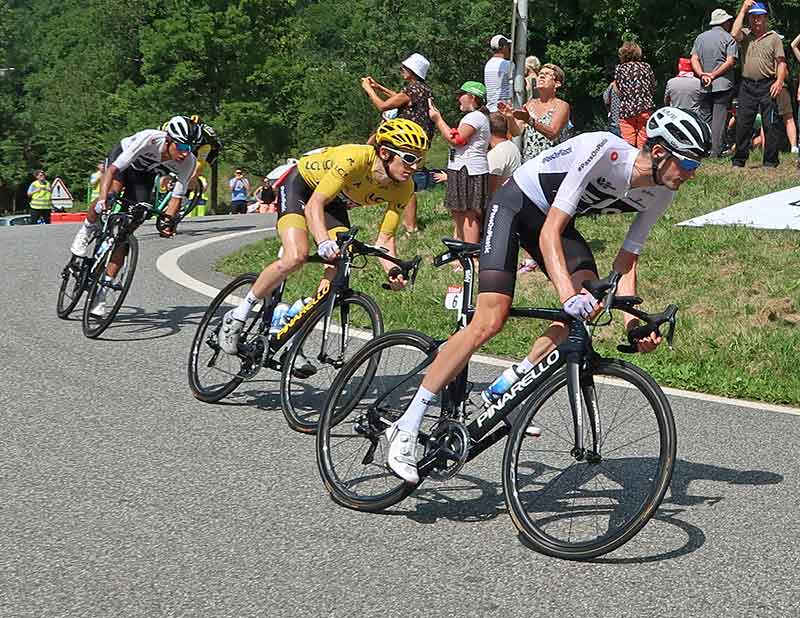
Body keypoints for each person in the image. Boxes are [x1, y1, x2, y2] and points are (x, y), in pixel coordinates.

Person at [383, 107, 711, 483]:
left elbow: (627, 261)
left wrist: (631, 320)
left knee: (588, 302)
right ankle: (406, 425)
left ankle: (513, 381)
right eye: (686, 162)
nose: (690, 173)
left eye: (695, 165)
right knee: (491, 318)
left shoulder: (660, 193)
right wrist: (566, 294)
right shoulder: (604, 150)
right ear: (658, 152)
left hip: (554, 220)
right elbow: (549, 232)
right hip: (515, 206)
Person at [216, 118, 429, 355]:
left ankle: (294, 327)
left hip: (333, 204)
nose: (415, 166)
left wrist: (393, 270)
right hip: (301, 188)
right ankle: (237, 316)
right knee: (296, 255)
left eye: (420, 159)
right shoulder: (354, 158)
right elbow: (313, 205)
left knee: (341, 261)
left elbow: (385, 239)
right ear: (385, 153)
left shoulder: (404, 188)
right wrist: (323, 241)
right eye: (409, 158)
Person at [69, 117, 199, 313]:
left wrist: (168, 223)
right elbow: (113, 170)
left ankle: (102, 291)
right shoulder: (149, 139)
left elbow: (176, 198)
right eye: (181, 145)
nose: (184, 152)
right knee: (111, 195)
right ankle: (87, 228)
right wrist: (103, 198)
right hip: (122, 161)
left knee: (131, 225)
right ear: (169, 139)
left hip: (143, 175)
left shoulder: (188, 161)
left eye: (190, 147)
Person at [361, 53, 435, 234]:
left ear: (412, 71)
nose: (401, 71)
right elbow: (400, 99)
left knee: (406, 182)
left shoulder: (411, 90)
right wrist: (379, 87)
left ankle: (410, 226)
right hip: (420, 142)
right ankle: (407, 223)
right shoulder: (423, 90)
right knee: (406, 180)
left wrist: (369, 90)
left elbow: (383, 106)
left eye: (404, 68)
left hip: (406, 143)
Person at [428, 81, 490, 245]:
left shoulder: (475, 117)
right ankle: (462, 249)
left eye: (461, 95)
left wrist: (438, 119)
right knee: (458, 211)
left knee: (469, 214)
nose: (458, 99)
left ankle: (471, 254)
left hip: (469, 171)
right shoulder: (472, 117)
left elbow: (457, 140)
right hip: (461, 169)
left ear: (472, 97)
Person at [731, 0, 787, 168]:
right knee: (743, 123)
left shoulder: (774, 38)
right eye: (753, 17)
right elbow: (733, 34)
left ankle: (770, 161)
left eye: (759, 17)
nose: (756, 21)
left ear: (765, 18)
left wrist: (779, 81)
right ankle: (739, 160)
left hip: (767, 84)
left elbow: (782, 62)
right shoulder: (745, 35)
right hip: (747, 85)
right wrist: (743, 10)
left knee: (770, 124)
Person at [691, 8, 738, 157]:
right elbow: (730, 61)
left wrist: (702, 74)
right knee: (719, 119)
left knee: (705, 118)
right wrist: (714, 75)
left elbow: (694, 58)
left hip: (704, 84)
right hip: (723, 84)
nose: (730, 23)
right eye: (728, 21)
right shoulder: (728, 38)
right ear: (724, 22)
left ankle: (703, 148)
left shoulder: (700, 38)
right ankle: (716, 151)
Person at [502, 63, 570, 162]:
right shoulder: (529, 105)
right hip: (530, 164)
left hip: (553, 164)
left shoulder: (561, 106)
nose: (541, 76)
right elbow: (515, 132)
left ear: (557, 84)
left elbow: (553, 133)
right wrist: (509, 117)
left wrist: (529, 120)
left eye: (547, 74)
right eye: (540, 74)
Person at [615, 41, 656, 147]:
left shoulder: (619, 69)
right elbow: (652, 86)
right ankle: (643, 161)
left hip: (626, 110)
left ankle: (631, 162)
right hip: (645, 108)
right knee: (643, 144)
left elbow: (619, 89)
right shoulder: (646, 67)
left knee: (628, 145)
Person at [484, 35, 512, 112]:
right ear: (504, 47)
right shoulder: (508, 64)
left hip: (490, 108)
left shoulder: (488, 64)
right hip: (504, 109)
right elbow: (518, 84)